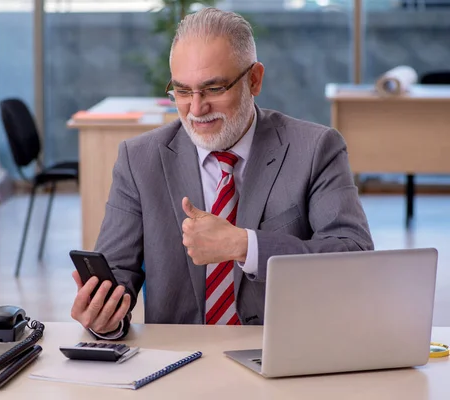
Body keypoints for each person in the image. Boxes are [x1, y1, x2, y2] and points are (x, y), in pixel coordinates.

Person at [70, 7, 374, 339]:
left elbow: (354, 256)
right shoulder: (139, 159)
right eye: (183, 91)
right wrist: (105, 318)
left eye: (214, 89)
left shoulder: (316, 148)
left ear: (254, 80)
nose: (196, 109)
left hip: (287, 354)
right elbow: (117, 273)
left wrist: (246, 245)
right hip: (180, 363)